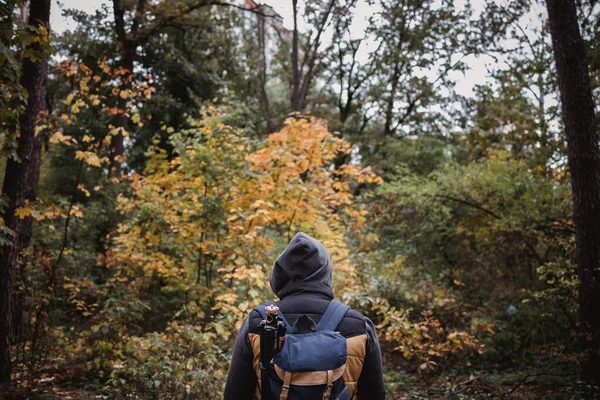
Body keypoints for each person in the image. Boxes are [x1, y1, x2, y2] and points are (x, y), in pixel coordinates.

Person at [224, 232, 386, 400]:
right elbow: (375, 394)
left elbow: (235, 393)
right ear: (326, 273)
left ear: (280, 274)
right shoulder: (359, 325)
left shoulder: (258, 321)